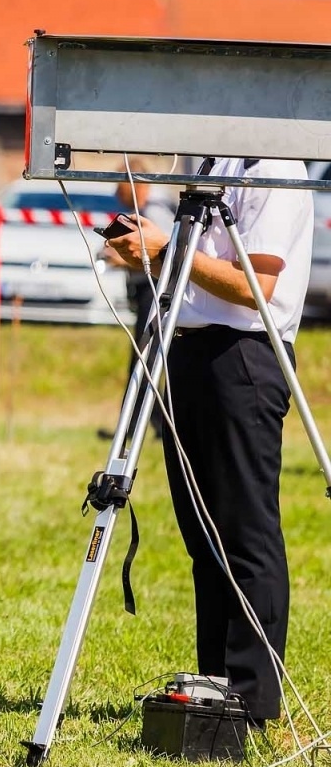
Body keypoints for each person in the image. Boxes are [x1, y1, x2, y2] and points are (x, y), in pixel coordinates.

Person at [107, 157, 311, 729]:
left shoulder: (276, 168)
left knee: (244, 531)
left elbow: (256, 287)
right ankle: (217, 682)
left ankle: (252, 698)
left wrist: (167, 248)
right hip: (188, 348)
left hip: (244, 354)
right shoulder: (210, 162)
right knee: (204, 534)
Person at [98, 160, 178, 439]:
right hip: (148, 291)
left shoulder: (155, 211)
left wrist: (122, 258)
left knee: (145, 360)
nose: (116, 191)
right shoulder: (143, 210)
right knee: (147, 360)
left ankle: (135, 428)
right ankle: (148, 425)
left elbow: (169, 254)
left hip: (157, 292)